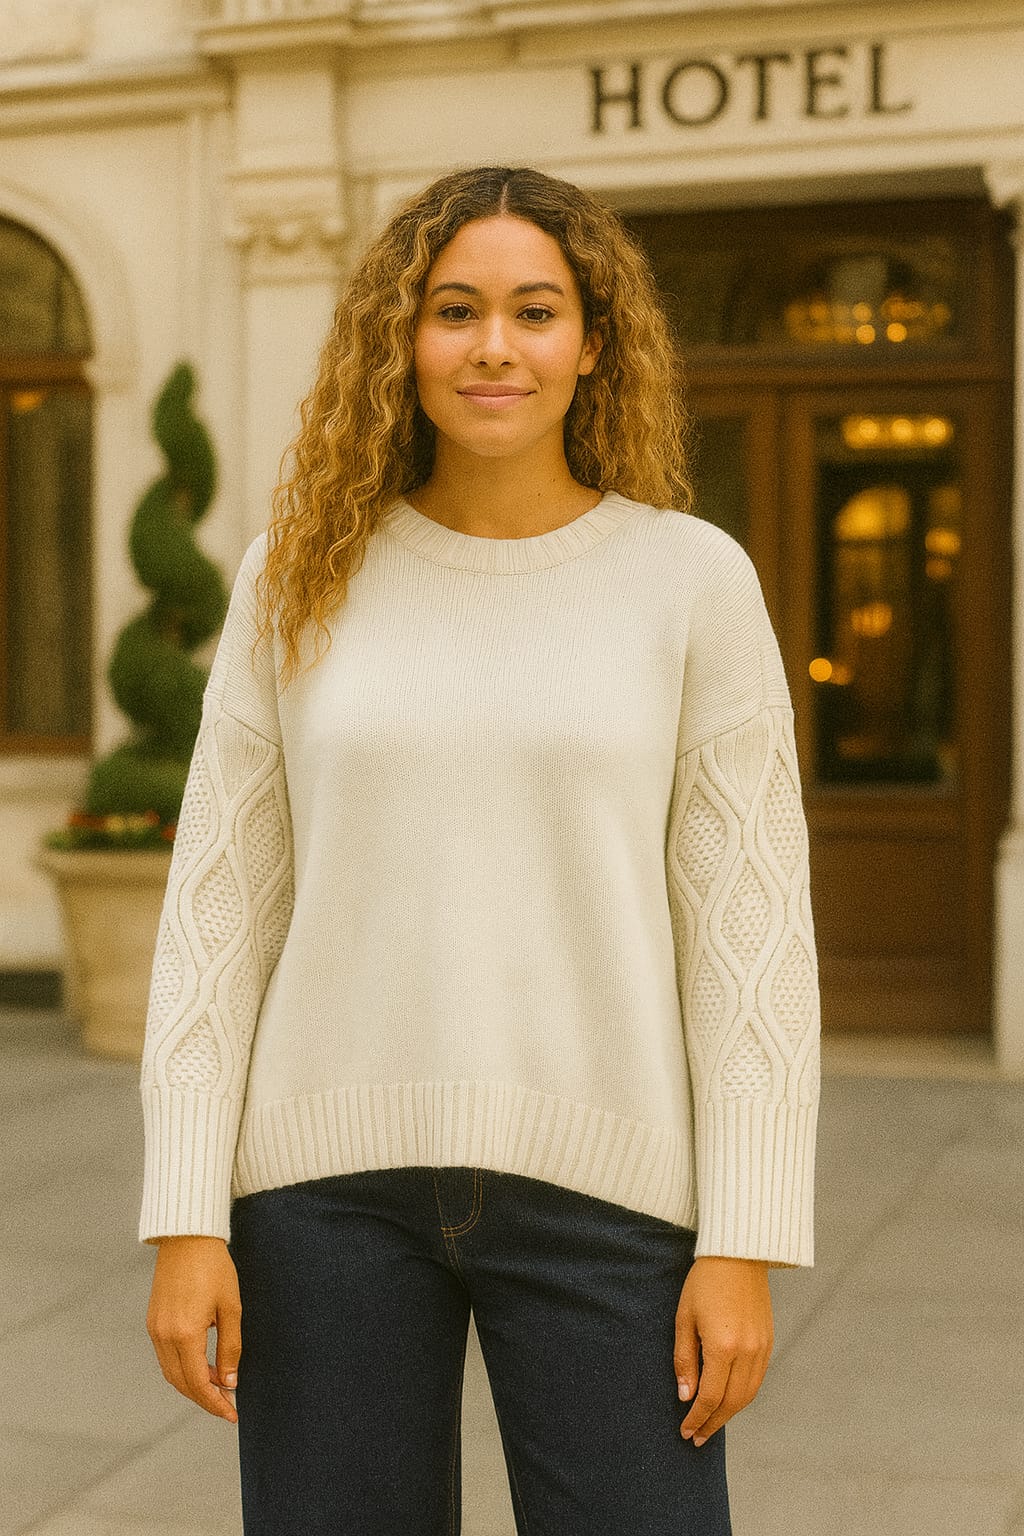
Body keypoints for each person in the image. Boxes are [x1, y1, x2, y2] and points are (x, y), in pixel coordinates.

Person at [140, 164, 820, 1536]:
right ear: (401, 340)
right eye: (454, 310)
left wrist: (744, 1237)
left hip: (613, 1198)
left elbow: (749, 933)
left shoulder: (691, 583)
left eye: (533, 310)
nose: (493, 346)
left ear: (592, 343)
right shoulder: (297, 575)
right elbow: (219, 914)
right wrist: (184, 1218)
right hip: (320, 1204)